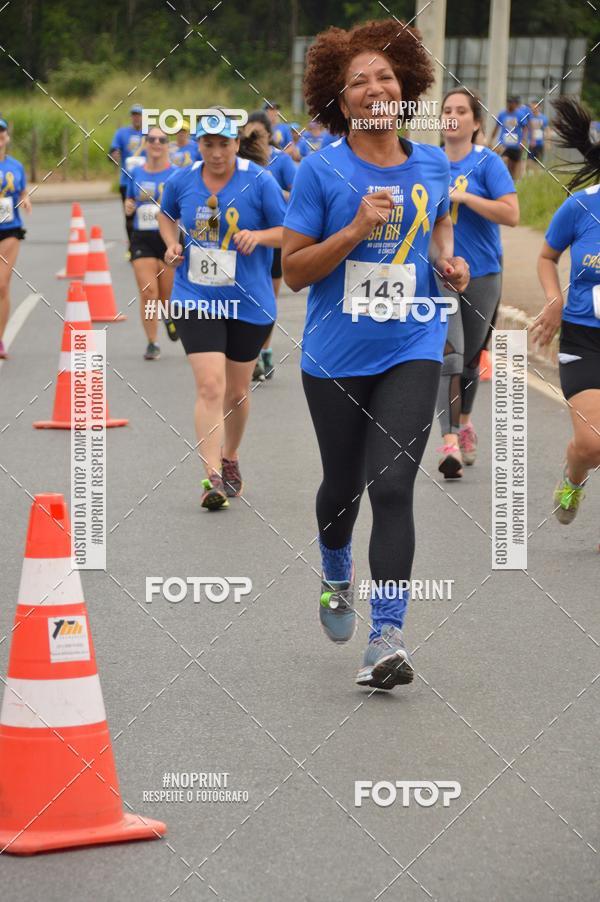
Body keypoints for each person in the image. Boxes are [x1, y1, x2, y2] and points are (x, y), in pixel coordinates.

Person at [282, 19, 469, 690]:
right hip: (335, 353)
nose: (374, 87)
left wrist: (447, 259)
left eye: (385, 75)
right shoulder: (320, 170)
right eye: (358, 80)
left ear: (407, 86)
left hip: (412, 341)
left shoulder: (432, 162)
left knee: (392, 485)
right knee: (342, 489)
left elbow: (439, 213)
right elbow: (294, 272)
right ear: (340, 97)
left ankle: (386, 636)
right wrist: (356, 228)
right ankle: (336, 569)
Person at [159, 114, 286, 510]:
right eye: (208, 144)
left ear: (236, 144)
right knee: (210, 386)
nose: (216, 153)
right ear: (198, 144)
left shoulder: (259, 181)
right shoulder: (182, 179)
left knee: (236, 391)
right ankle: (211, 475)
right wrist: (171, 245)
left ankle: (230, 456)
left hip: (249, 300)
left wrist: (260, 235)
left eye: (224, 145)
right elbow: (166, 215)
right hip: (195, 296)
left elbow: (291, 230)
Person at [435, 88, 519, 478]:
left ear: (475, 122)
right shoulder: (429, 162)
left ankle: (464, 420)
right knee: (449, 357)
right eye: (446, 110)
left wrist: (466, 199)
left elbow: (511, 213)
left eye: (460, 110)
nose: (452, 116)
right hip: (440, 275)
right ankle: (449, 441)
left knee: (469, 359)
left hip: (483, 273)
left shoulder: (487, 163)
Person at [532, 97, 600, 525]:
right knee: (592, 444)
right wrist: (554, 301)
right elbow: (545, 257)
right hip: (585, 337)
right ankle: (574, 476)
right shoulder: (581, 207)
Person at [243, 110, 297, 380]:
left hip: (273, 238)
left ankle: (264, 349)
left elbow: (300, 194)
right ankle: (246, 355)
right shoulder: (237, 163)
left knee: (267, 299)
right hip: (243, 243)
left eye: (257, 135)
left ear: (268, 135)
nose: (252, 140)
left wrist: (275, 194)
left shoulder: (281, 161)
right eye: (247, 135)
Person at [125, 126, 177, 360]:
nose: (156, 143)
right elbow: (130, 199)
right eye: (152, 139)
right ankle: (152, 342)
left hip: (168, 241)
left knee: (166, 296)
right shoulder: (136, 172)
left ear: (168, 145)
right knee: (148, 293)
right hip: (142, 238)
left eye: (162, 139)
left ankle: (168, 316)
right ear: (146, 143)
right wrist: (129, 206)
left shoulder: (176, 174)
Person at [0, 117, 31, 359]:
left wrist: (25, 198)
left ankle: (0, 339)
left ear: (7, 138)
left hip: (10, 229)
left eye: (2, 132)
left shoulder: (16, 166)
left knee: (2, 285)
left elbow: (21, 189)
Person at [110, 104, 146, 256]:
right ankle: (131, 247)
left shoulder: (150, 134)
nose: (136, 118)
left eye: (139, 115)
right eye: (134, 115)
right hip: (127, 182)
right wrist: (115, 154)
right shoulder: (122, 133)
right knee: (129, 215)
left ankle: (145, 246)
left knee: (146, 214)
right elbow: (113, 151)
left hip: (145, 182)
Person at [490, 96, 529, 180]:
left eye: (512, 103)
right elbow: (496, 127)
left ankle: (513, 184)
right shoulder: (502, 114)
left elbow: (525, 128)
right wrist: (491, 140)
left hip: (516, 145)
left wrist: (523, 140)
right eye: (509, 103)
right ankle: (503, 179)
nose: (510, 105)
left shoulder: (520, 115)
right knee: (504, 160)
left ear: (515, 104)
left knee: (513, 169)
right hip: (504, 144)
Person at [525, 100, 549, 172]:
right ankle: (530, 175)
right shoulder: (528, 117)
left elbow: (547, 130)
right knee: (528, 161)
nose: (534, 109)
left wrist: (547, 142)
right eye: (532, 107)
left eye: (535, 107)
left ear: (539, 107)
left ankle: (537, 174)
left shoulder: (543, 118)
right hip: (530, 143)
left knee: (538, 162)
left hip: (540, 143)